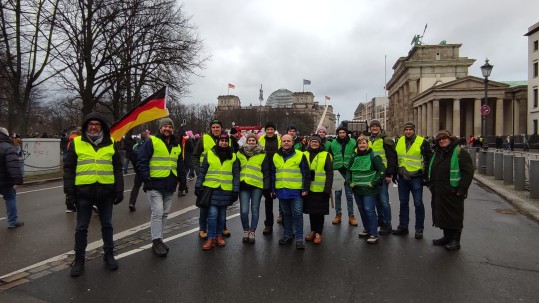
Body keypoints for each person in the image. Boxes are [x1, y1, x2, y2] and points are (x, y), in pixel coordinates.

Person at [63, 113, 124, 277]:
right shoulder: (76, 143)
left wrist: (119, 189)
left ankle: (109, 255)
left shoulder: (111, 142)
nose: (94, 127)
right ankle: (79, 259)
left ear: (102, 127)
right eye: (90, 124)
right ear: (85, 126)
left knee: (107, 225)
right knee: (81, 227)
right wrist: (69, 192)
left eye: (97, 124)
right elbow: (69, 169)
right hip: (83, 192)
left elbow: (117, 168)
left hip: (106, 192)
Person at [137, 117, 187, 257]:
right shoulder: (152, 141)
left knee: (165, 213)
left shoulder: (176, 144)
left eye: (170, 127)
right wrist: (146, 179)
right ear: (160, 128)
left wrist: (183, 182)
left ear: (173, 129)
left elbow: (180, 164)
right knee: (158, 212)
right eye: (165, 126)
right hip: (155, 183)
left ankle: (160, 238)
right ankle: (156, 240)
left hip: (170, 183)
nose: (167, 129)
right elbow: (141, 160)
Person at [427, 130, 474, 251]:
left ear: (450, 139)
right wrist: (430, 184)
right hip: (439, 190)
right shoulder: (438, 152)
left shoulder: (459, 153)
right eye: (439, 139)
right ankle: (447, 237)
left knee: (454, 215)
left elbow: (468, 172)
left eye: (444, 138)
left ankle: (455, 240)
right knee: (443, 214)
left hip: (453, 190)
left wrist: (461, 189)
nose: (442, 141)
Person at [195, 132, 240, 250]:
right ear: (218, 141)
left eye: (226, 141)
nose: (224, 143)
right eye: (222, 140)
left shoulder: (234, 156)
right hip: (211, 189)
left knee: (222, 216)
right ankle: (211, 238)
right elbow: (203, 171)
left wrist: (235, 190)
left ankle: (219, 237)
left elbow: (236, 175)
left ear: (228, 142)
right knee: (213, 214)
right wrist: (198, 185)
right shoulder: (210, 154)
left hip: (225, 190)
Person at [270, 134, 311, 250]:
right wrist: (272, 190)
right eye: (284, 141)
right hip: (282, 190)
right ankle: (287, 235)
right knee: (286, 214)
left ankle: (299, 239)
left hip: (296, 191)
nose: (286, 143)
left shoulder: (300, 155)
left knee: (297, 214)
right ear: (281, 143)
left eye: (288, 141)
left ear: (292, 142)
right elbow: (273, 174)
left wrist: (305, 189)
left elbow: (306, 173)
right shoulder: (275, 156)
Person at [192, 118, 232, 238]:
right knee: (204, 204)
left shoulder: (226, 139)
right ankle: (202, 228)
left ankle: (223, 227)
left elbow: (231, 156)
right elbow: (195, 156)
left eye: (218, 127)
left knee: (221, 204)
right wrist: (199, 172)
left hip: (221, 177)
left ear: (221, 128)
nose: (216, 129)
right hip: (205, 177)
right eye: (213, 127)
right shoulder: (204, 139)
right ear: (210, 128)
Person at [392, 122, 432, 239]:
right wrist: (395, 173)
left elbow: (428, 159)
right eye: (406, 130)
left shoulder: (422, 142)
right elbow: (396, 158)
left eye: (410, 129)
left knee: (418, 203)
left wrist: (425, 175)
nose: (408, 131)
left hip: (416, 177)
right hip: (403, 178)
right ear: (403, 131)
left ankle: (419, 229)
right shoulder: (399, 141)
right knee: (403, 203)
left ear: (413, 130)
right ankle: (403, 227)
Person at [346, 135, 385, 244]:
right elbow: (349, 170)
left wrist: (373, 183)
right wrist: (349, 182)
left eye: (364, 143)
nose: (362, 145)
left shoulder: (374, 156)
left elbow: (381, 170)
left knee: (369, 209)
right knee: (362, 209)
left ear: (368, 144)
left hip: (369, 189)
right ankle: (367, 229)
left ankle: (373, 233)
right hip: (357, 188)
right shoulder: (354, 156)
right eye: (360, 143)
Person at [237, 133, 271, 244]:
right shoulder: (239, 153)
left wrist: (266, 187)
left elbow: (266, 172)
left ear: (257, 142)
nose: (251, 142)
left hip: (257, 185)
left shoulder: (262, 154)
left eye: (253, 140)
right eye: (249, 140)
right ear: (246, 141)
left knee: (255, 210)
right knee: (244, 211)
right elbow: (236, 170)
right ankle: (246, 230)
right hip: (244, 186)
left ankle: (252, 231)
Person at [368, 119, 397, 235]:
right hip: (371, 174)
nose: (374, 128)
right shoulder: (369, 140)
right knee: (376, 200)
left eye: (376, 126)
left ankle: (387, 223)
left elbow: (391, 158)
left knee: (384, 200)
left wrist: (389, 174)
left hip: (383, 173)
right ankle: (380, 220)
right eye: (372, 126)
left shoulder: (387, 140)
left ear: (380, 127)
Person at [303, 134, 333, 244]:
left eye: (316, 142)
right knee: (312, 211)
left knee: (320, 212)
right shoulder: (304, 154)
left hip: (321, 188)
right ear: (309, 142)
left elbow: (330, 173)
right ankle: (312, 230)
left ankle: (318, 233)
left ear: (320, 143)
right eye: (312, 141)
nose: (314, 143)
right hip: (309, 188)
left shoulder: (326, 155)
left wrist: (327, 188)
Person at [328, 126, 358, 226]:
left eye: (343, 132)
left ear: (346, 133)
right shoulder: (333, 143)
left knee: (349, 195)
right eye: (340, 132)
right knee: (337, 195)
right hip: (337, 171)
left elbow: (357, 155)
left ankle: (351, 215)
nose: (341, 134)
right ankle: (338, 214)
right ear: (338, 134)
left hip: (349, 171)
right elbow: (330, 157)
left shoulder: (353, 142)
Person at [258, 122, 281, 235]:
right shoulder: (261, 139)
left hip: (278, 170)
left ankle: (285, 220)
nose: (270, 131)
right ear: (265, 130)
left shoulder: (280, 139)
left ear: (274, 130)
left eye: (272, 129)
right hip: (265, 170)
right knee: (268, 200)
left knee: (283, 198)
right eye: (268, 129)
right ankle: (268, 224)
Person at [0, 127, 24, 229]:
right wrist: (17, 181)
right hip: (6, 179)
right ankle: (12, 221)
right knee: (10, 199)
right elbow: (13, 166)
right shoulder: (9, 148)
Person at [128, 130, 149, 211]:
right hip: (146, 169)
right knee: (151, 187)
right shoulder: (148, 144)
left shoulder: (136, 145)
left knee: (136, 187)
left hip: (138, 169)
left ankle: (131, 203)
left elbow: (133, 157)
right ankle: (154, 203)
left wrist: (136, 167)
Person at [65, 129, 82, 213]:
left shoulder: (69, 141)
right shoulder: (78, 140)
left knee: (69, 187)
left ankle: (69, 206)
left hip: (69, 163)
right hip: (78, 165)